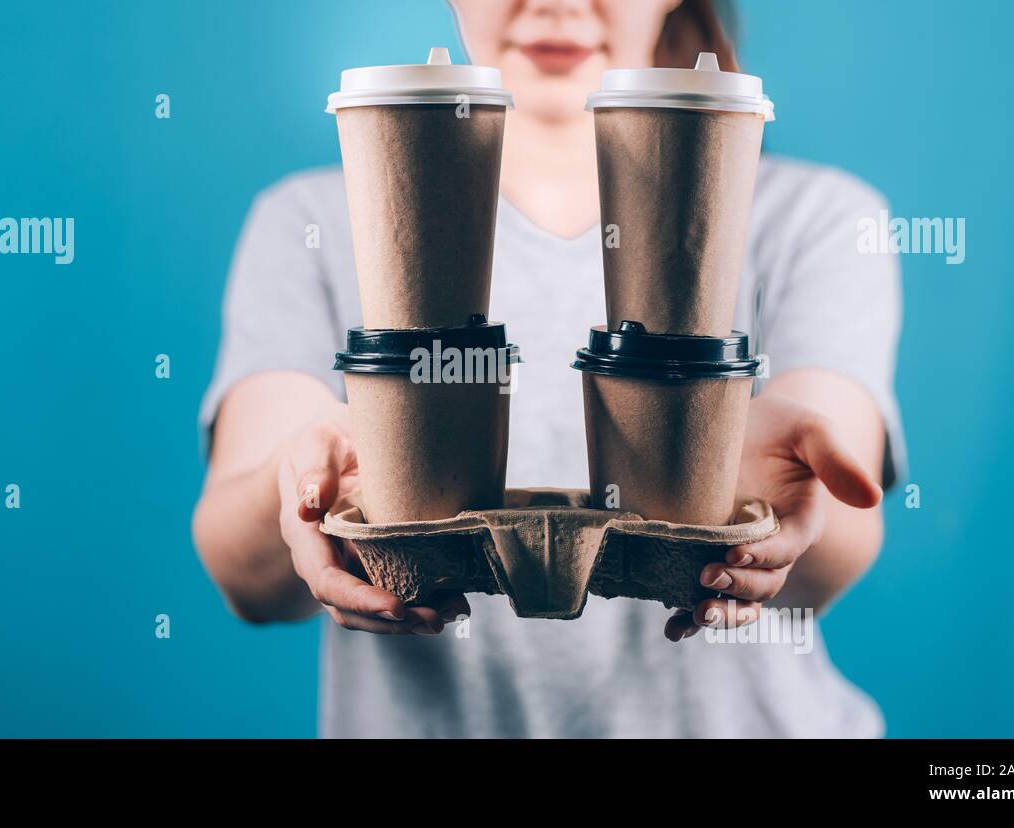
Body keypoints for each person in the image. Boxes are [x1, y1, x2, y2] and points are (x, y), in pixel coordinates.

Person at [193, 0, 904, 738]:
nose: (556, 3)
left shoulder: (819, 218)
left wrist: (759, 501)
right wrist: (309, 495)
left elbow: (830, 557)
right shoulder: (313, 221)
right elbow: (247, 579)